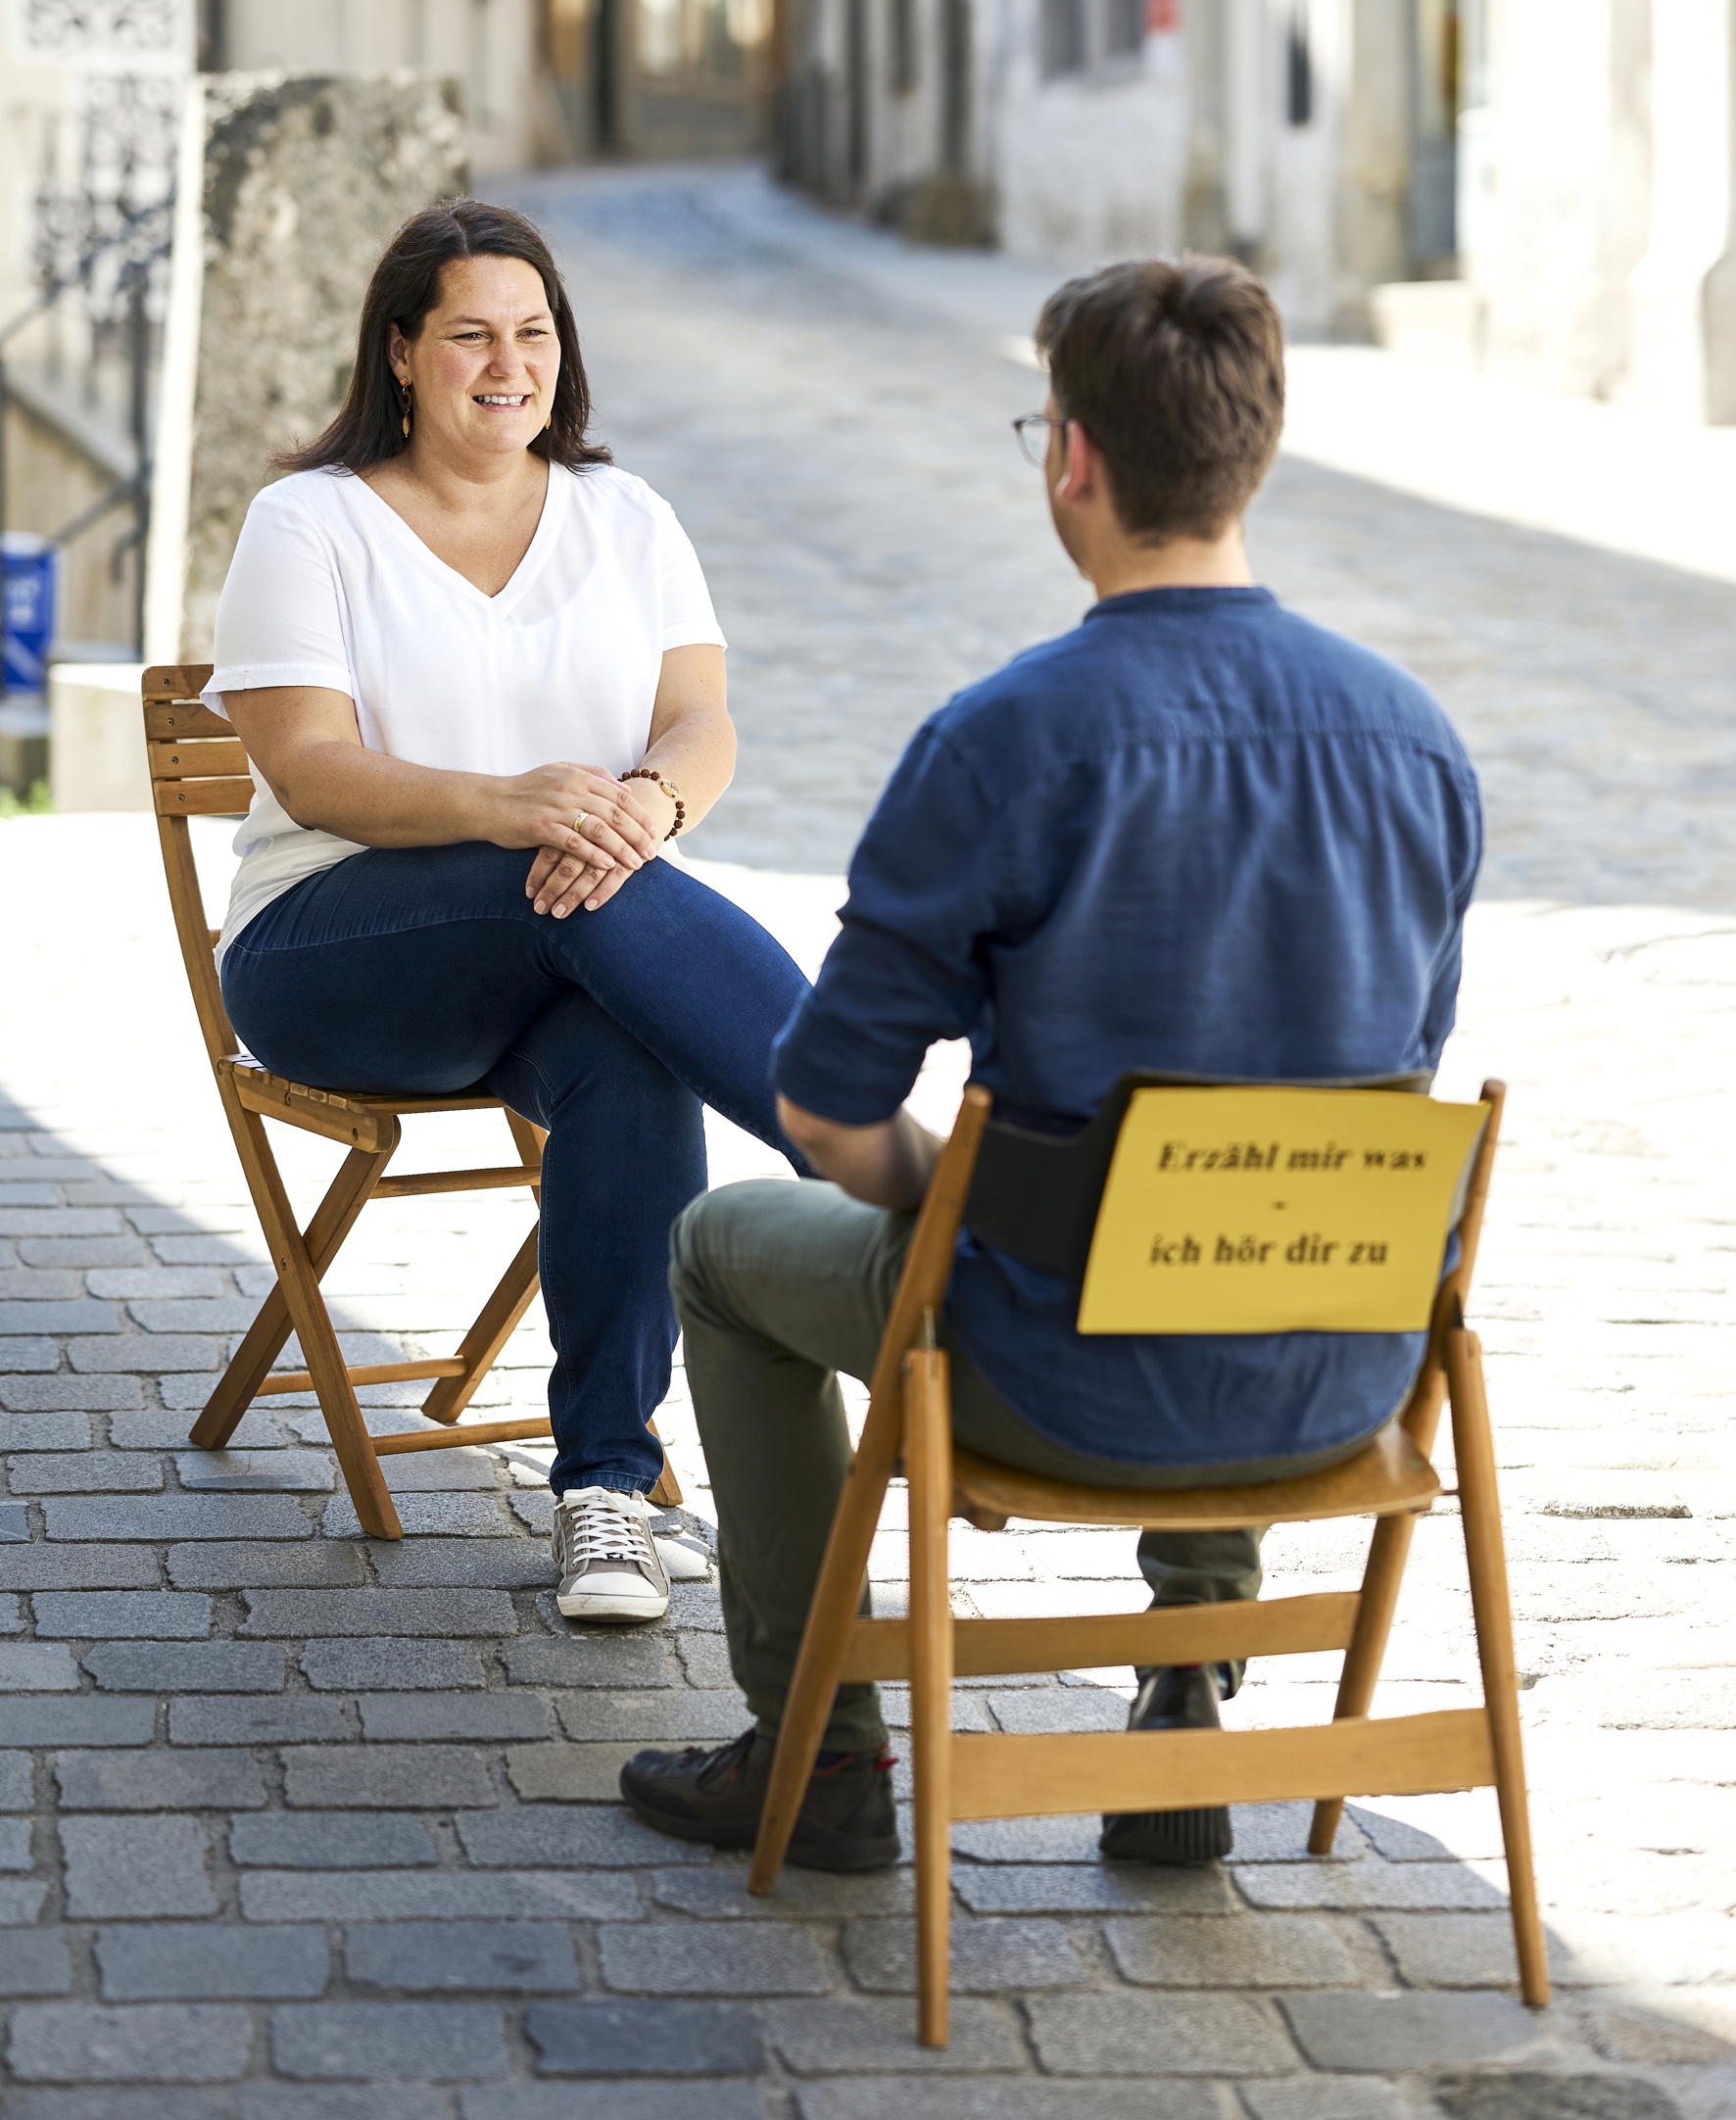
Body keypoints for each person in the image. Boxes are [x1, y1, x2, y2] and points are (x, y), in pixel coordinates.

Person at [621, 255, 1482, 1872]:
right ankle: (1187, 1703)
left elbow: (824, 1103)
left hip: (1056, 1373)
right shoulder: (1416, 739)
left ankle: (824, 1763)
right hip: (1345, 1370)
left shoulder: (1007, 738)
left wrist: (953, 1189)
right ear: (1259, 448)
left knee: (720, 1248)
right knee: (1244, 1166)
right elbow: (1391, 1072)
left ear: (1073, 458)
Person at [208, 198, 811, 1624]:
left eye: (533, 332)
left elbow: (701, 724)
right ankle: (875, 1154)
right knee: (587, 903)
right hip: (330, 955)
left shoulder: (625, 515)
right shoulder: (311, 522)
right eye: (471, 332)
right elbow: (310, 768)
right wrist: (518, 807)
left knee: (631, 1044)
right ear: (402, 352)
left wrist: (642, 809)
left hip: (561, 938)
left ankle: (605, 1491)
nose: (508, 362)